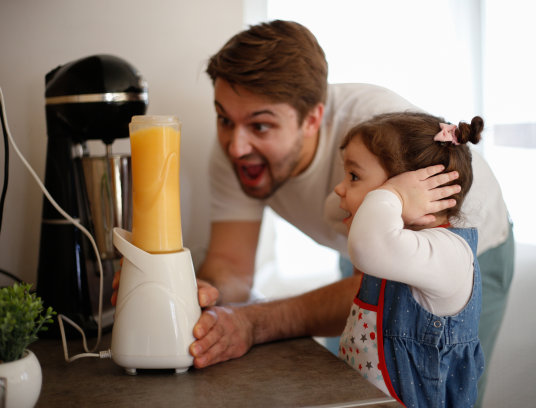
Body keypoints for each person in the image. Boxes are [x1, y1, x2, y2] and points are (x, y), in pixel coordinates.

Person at [191, 20, 513, 406]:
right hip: (365, 247)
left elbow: (378, 256)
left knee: (429, 382)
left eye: (260, 125)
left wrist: (253, 323)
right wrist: (198, 299)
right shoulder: (238, 147)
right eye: (224, 118)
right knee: (355, 372)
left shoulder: (381, 138)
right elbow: (230, 263)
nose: (235, 146)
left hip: (462, 253)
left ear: (313, 119)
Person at [334, 112, 484, 406]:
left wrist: (392, 194)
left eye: (353, 176)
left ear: (415, 187)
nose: (339, 188)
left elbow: (368, 246)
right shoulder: (396, 247)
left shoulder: (448, 253)